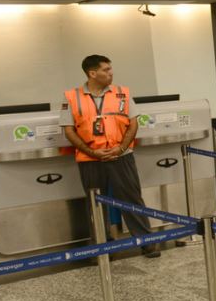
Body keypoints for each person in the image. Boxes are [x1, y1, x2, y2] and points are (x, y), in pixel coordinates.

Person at [61, 55, 160, 258]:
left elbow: (133, 123)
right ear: (92, 73)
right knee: (96, 203)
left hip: (121, 156)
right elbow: (69, 130)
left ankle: (146, 241)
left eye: (110, 69)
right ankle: (101, 247)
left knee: (132, 198)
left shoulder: (122, 93)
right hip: (90, 158)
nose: (111, 73)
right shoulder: (72, 96)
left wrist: (122, 147)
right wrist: (92, 152)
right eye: (106, 69)